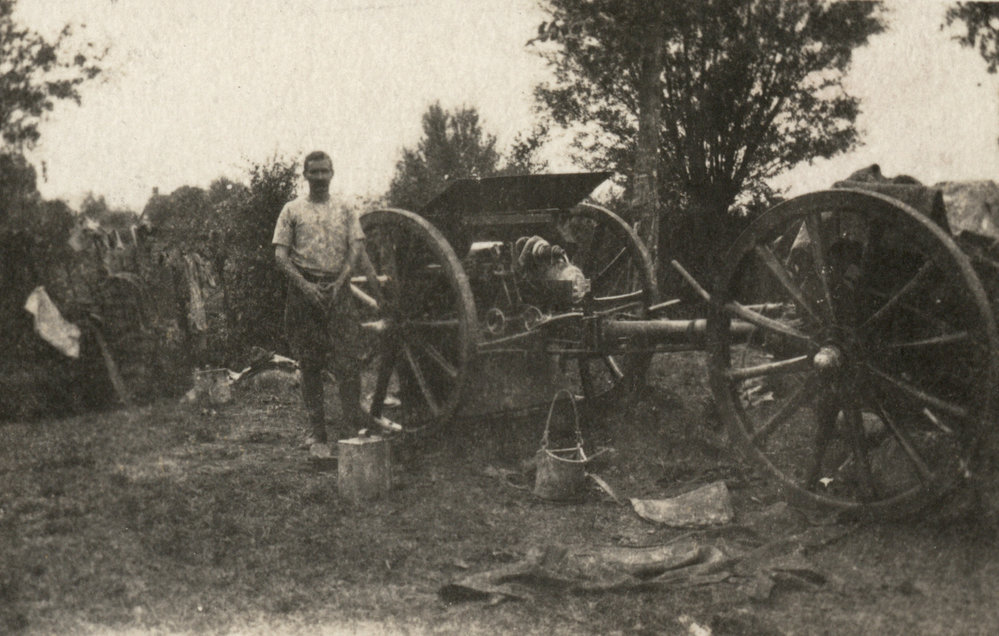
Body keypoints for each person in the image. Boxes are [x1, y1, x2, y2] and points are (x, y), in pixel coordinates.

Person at [272, 150, 371, 449]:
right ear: (304, 175)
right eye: (313, 172)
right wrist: (306, 287)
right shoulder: (292, 210)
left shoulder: (345, 208)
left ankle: (352, 430)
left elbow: (356, 247)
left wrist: (341, 282)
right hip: (304, 293)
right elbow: (280, 256)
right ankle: (317, 433)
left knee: (348, 362)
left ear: (332, 173)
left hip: (339, 291)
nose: (319, 177)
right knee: (309, 363)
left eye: (324, 171)